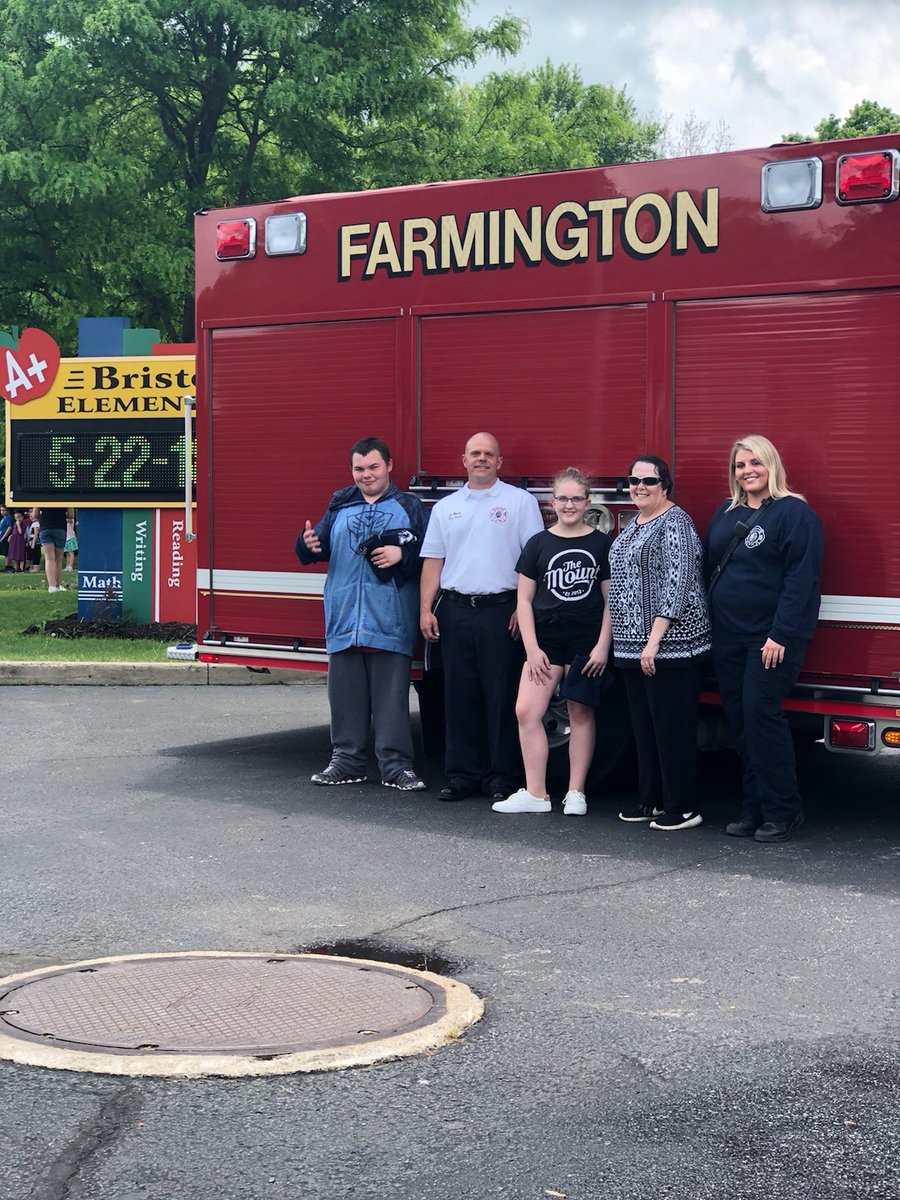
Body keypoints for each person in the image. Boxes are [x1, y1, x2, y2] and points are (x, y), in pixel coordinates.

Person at [705, 435, 823, 844]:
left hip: (770, 640)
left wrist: (780, 634)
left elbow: (801, 581)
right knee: (739, 723)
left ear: (771, 465)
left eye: (755, 462)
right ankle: (754, 808)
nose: (747, 471)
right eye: (739, 465)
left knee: (761, 718)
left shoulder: (795, 514)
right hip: (728, 636)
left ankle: (783, 811)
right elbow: (710, 568)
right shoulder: (726, 512)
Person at [296, 436, 427, 791]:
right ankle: (346, 761)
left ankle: (396, 766)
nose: (366, 475)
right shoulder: (339, 504)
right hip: (343, 619)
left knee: (391, 701)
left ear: (389, 466)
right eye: (359, 468)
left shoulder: (410, 507)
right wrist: (306, 545)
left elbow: (431, 556)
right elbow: (316, 546)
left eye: (373, 467)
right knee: (345, 698)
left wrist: (404, 558)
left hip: (390, 618)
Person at [420, 432, 544, 801]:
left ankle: (501, 778)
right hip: (456, 610)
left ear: (499, 462)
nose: (482, 459)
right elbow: (433, 561)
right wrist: (426, 608)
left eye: (489, 454)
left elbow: (534, 560)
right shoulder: (445, 507)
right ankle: (461, 776)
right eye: (475, 453)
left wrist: (524, 610)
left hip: (501, 611)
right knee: (459, 697)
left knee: (501, 696)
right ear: (463, 460)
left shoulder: (520, 502)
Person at [491, 467, 612, 816]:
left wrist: (602, 646)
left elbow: (610, 601)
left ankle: (576, 792)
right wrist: (531, 649)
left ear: (587, 503)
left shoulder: (601, 544)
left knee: (580, 713)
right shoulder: (538, 544)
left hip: (585, 641)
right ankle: (537, 793)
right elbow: (524, 600)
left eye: (576, 498)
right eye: (563, 498)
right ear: (552, 502)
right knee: (526, 711)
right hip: (545, 641)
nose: (569, 504)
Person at [608, 455, 711, 831]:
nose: (639, 486)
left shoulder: (676, 522)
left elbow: (678, 582)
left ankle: (682, 807)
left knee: (672, 728)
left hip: (670, 647)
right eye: (632, 480)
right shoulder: (634, 524)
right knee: (645, 728)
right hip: (631, 648)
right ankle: (650, 800)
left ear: (664, 486)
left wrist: (653, 641)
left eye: (648, 481)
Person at [38, 507, 71, 592]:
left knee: (49, 558)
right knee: (58, 559)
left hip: (45, 527)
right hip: (59, 528)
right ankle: (57, 585)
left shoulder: (40, 495)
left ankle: (51, 586)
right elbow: (71, 515)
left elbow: (35, 514)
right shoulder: (65, 496)